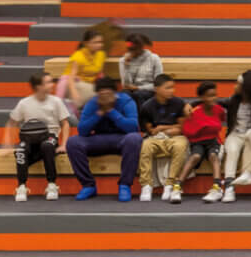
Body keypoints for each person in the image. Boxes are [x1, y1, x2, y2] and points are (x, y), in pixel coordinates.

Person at [67, 76, 143, 202]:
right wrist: (100, 113)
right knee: (73, 142)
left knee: (134, 138)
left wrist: (111, 111)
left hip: (122, 139)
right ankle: (88, 185)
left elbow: (133, 127)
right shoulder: (93, 103)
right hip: (98, 139)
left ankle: (125, 185)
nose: (105, 97)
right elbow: (82, 131)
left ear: (115, 93)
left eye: (108, 93)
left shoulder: (126, 101)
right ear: (97, 94)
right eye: (101, 94)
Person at [5, 72, 71, 201]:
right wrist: (7, 144)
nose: (52, 84)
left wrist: (64, 144)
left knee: (47, 146)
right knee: (20, 151)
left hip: (50, 136)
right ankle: (21, 186)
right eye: (48, 82)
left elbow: (65, 123)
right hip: (29, 137)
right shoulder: (24, 103)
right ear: (38, 86)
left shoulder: (56, 101)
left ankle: (52, 184)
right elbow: (12, 122)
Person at [216, 70, 251, 202]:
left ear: (245, 87)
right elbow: (214, 102)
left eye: (237, 84)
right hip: (236, 134)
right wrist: (192, 104)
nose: (234, 87)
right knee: (232, 151)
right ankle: (229, 188)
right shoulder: (233, 100)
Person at [136, 74, 187, 202]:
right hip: (156, 137)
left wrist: (163, 127)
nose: (172, 91)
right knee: (146, 146)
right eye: (168, 88)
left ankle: (170, 184)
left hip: (175, 136)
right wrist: (164, 129)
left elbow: (181, 128)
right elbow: (152, 131)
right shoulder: (147, 107)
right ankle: (146, 185)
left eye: (173, 87)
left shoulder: (178, 103)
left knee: (180, 145)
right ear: (156, 89)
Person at [182, 82, 226, 203]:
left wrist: (208, 127)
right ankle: (177, 186)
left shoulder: (218, 110)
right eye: (210, 96)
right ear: (202, 98)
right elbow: (188, 131)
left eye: (215, 95)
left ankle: (217, 188)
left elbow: (220, 121)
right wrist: (202, 127)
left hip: (213, 142)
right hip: (198, 142)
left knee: (214, 156)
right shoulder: (194, 111)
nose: (214, 98)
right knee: (194, 157)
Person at [61, 29, 107, 112]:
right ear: (86, 43)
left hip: (91, 85)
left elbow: (100, 73)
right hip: (75, 84)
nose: (100, 45)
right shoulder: (78, 56)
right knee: (99, 95)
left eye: (101, 42)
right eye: (96, 42)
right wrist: (74, 93)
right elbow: (70, 79)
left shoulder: (101, 54)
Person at [120, 34, 164, 105]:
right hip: (131, 90)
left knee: (139, 94)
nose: (132, 51)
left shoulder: (154, 58)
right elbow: (125, 84)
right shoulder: (123, 60)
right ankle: (129, 116)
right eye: (130, 48)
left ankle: (143, 115)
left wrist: (138, 88)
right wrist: (127, 65)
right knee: (124, 95)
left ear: (141, 47)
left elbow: (158, 84)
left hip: (148, 90)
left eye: (135, 48)